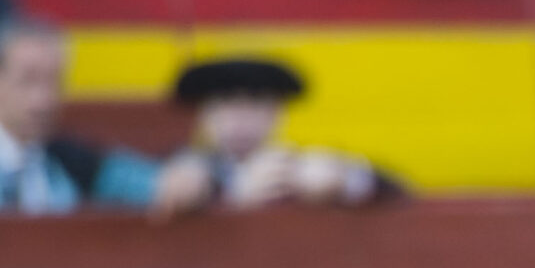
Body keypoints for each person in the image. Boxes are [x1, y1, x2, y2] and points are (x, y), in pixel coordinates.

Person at [0, 18, 207, 214]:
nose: (44, 99)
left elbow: (158, 183)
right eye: (28, 80)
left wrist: (190, 173)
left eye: (53, 81)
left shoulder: (73, 160)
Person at [169, 55, 402, 209]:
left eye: (255, 104)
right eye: (227, 103)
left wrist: (342, 178)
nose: (241, 119)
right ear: (203, 114)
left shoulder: (296, 166)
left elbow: (398, 191)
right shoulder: (178, 166)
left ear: (277, 114)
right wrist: (231, 195)